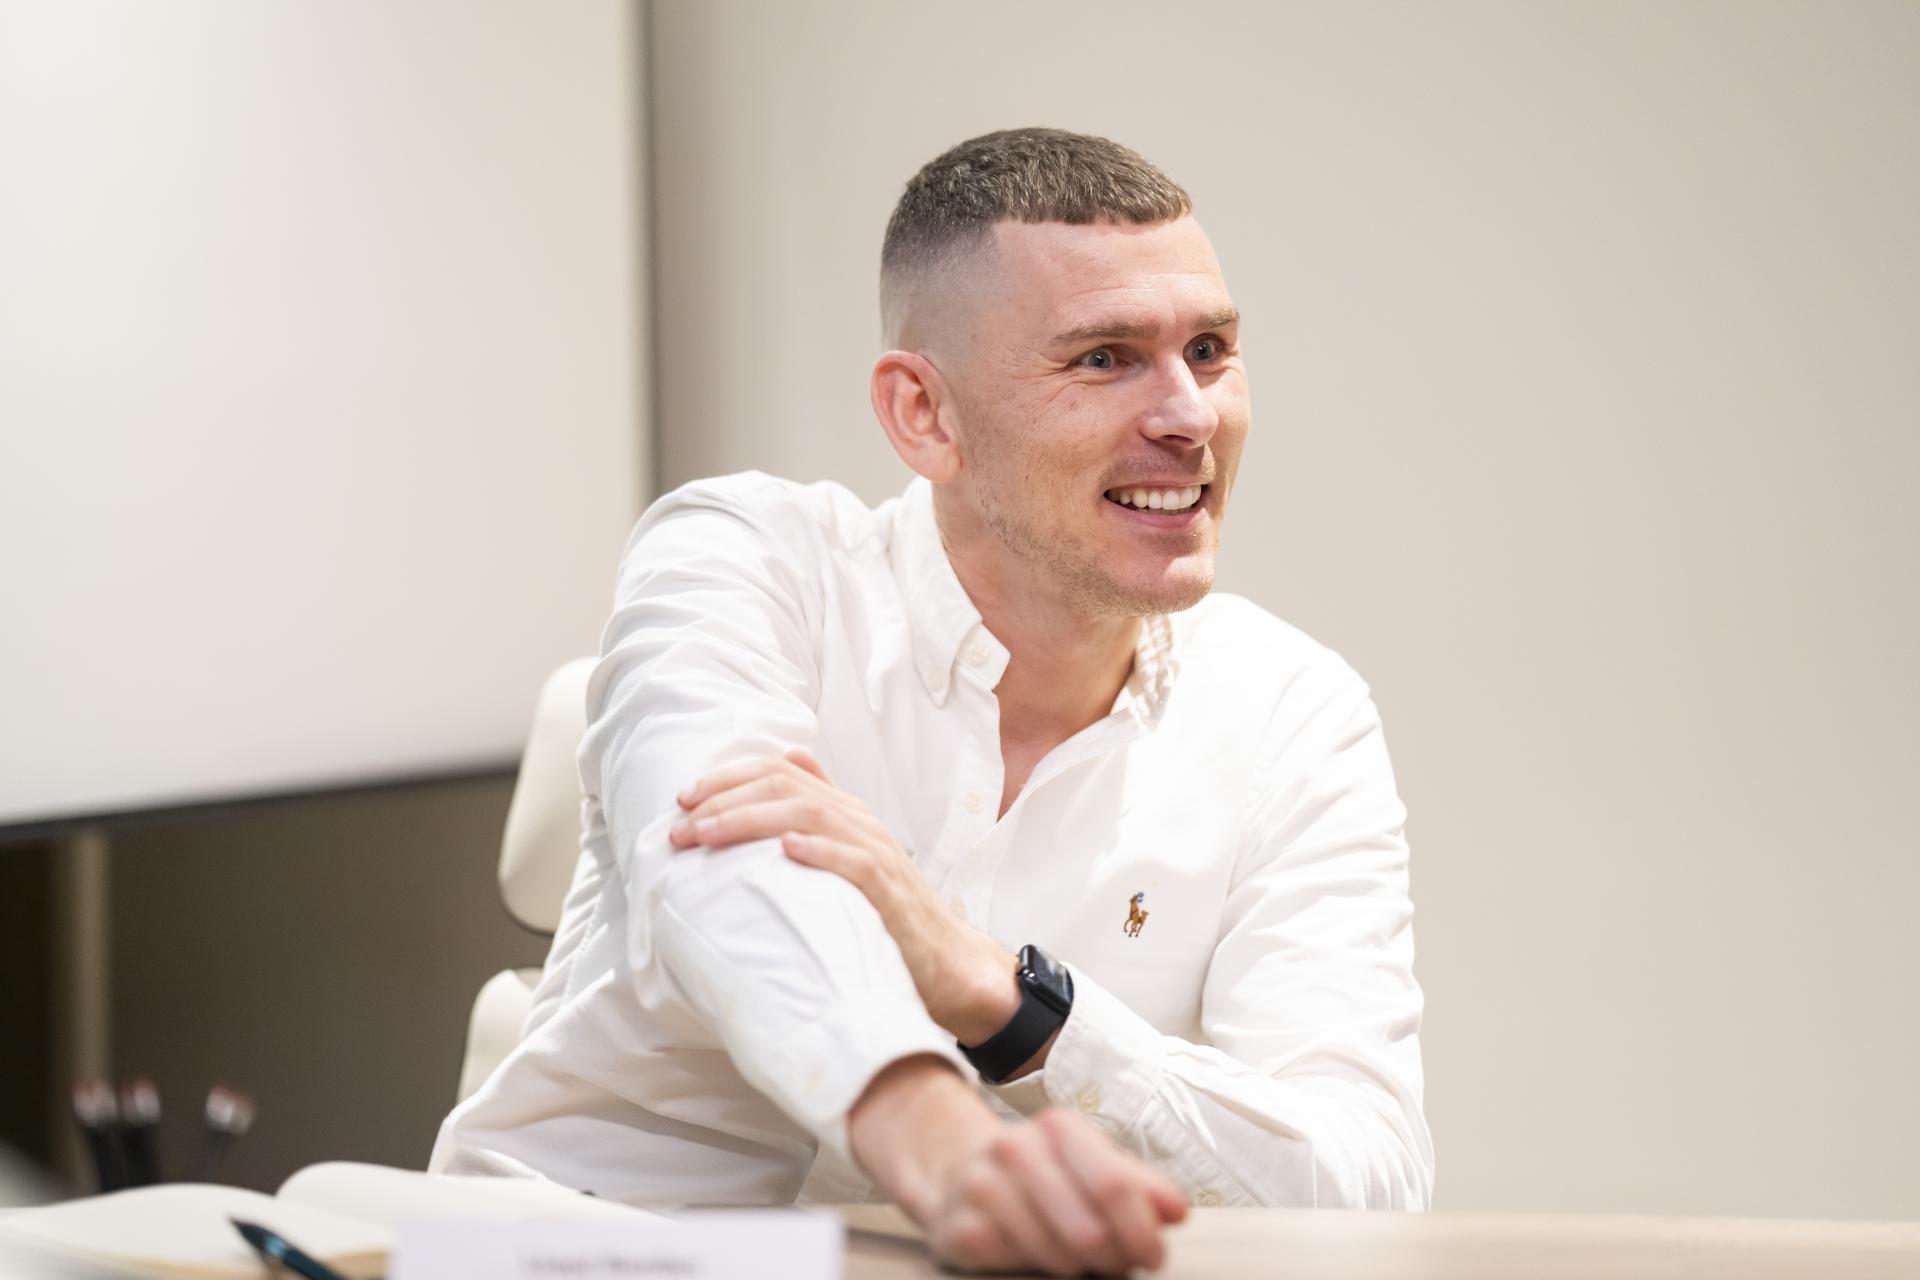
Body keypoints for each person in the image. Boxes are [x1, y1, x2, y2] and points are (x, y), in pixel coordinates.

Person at [433, 127, 1434, 1275]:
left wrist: (1013, 1002)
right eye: (1105, 358)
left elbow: (1361, 1183)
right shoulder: (744, 561)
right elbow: (723, 864)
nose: (1190, 415)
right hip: (608, 1257)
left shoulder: (1294, 710)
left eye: (1209, 349)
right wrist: (934, 1126)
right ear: (925, 415)